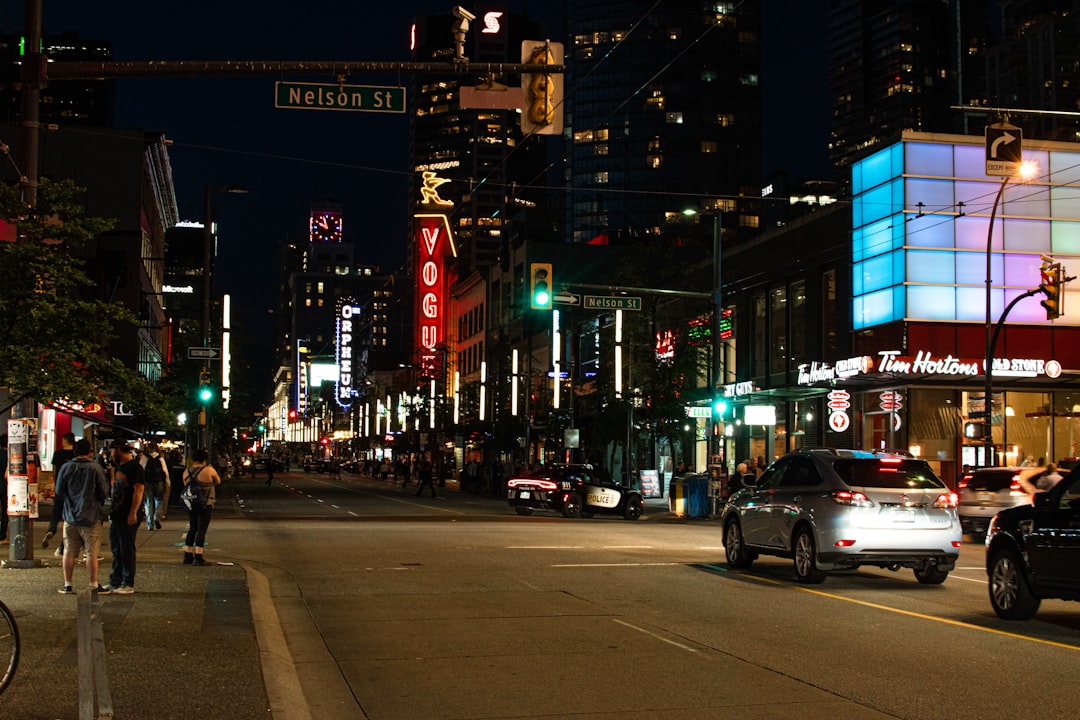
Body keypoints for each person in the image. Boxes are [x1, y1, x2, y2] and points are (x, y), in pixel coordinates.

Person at [55, 439, 111, 594]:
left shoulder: (66, 467)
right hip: (90, 515)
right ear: (90, 452)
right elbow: (103, 491)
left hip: (70, 515)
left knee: (69, 551)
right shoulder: (96, 468)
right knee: (91, 552)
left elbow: (59, 491)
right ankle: (93, 584)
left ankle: (67, 584)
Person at [106, 439, 144, 594]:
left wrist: (133, 512)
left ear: (119, 450)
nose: (110, 454)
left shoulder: (135, 467)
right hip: (117, 513)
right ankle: (116, 580)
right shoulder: (120, 467)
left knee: (126, 548)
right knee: (117, 548)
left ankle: (127, 583)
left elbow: (139, 490)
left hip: (127, 513)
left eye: (112, 451)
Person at [182, 449, 222, 565]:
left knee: (192, 528)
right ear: (205, 459)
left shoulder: (186, 471)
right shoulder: (209, 470)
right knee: (201, 529)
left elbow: (185, 485)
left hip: (191, 503)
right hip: (206, 503)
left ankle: (187, 556)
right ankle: (198, 557)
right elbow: (218, 481)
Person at [44, 432, 77, 555]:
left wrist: (56, 483)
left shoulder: (58, 454)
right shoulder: (75, 455)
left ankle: (52, 529)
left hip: (60, 487)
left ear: (65, 440)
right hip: (72, 490)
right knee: (68, 517)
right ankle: (63, 545)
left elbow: (53, 471)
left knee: (56, 512)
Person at [139, 442, 170, 530]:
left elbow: (141, 469)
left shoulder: (144, 457)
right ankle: (157, 517)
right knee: (159, 500)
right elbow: (165, 470)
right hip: (158, 482)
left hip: (148, 482)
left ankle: (150, 524)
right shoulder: (160, 458)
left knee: (148, 502)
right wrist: (167, 481)